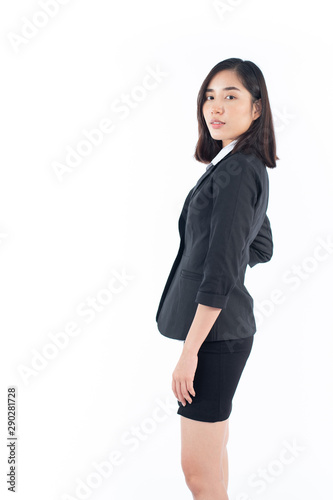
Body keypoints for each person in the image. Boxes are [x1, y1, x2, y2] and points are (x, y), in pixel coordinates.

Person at [155, 58, 278, 500]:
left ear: (257, 108)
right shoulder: (237, 165)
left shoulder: (239, 171)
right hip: (226, 335)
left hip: (215, 340)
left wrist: (190, 352)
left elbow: (224, 268)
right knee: (213, 466)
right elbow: (260, 247)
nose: (216, 107)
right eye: (210, 96)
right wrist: (219, 255)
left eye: (231, 96)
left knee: (198, 474)